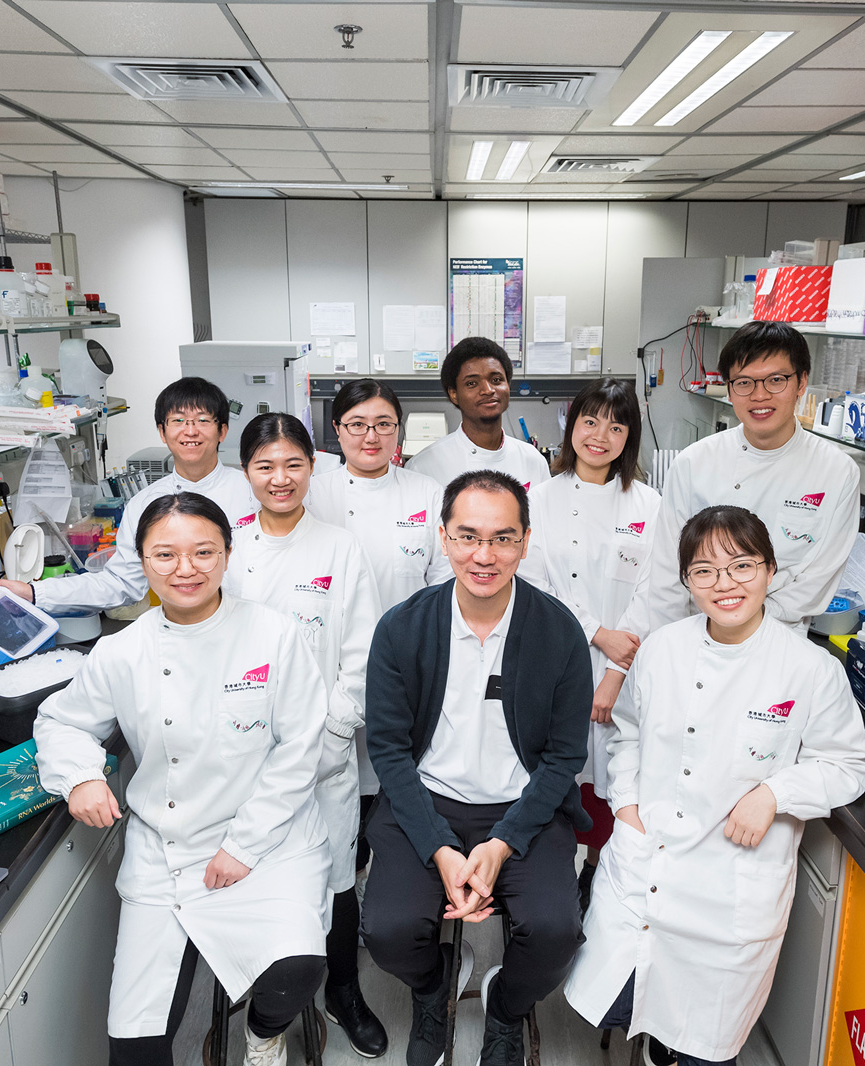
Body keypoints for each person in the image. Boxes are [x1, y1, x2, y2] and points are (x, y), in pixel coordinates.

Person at [565, 505, 865, 1066]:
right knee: (630, 1001)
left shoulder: (808, 668)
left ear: (770, 570)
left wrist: (774, 795)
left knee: (705, 1043)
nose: (724, 584)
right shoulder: (662, 647)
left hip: (729, 885)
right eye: (703, 571)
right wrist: (627, 804)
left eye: (741, 566)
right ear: (686, 582)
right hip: (647, 861)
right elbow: (628, 731)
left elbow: (850, 764)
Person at [35, 492, 331, 1066]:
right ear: (143, 562)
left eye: (202, 552)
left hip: (269, 842)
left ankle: (263, 1031)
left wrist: (244, 845)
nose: (185, 568)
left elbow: (299, 749)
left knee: (297, 967)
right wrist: (80, 777)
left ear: (227, 554)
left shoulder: (273, 635)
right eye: (165, 555)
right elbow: (60, 720)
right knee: (136, 1045)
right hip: (165, 853)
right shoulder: (122, 651)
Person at [363, 470, 591, 1066]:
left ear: (524, 542)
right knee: (387, 932)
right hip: (425, 801)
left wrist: (504, 843)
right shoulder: (401, 629)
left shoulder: (558, 632)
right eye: (467, 536)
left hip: (524, 808)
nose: (483, 556)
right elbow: (387, 750)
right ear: (443, 537)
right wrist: (441, 848)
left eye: (501, 538)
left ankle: (506, 1005)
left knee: (554, 933)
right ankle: (432, 983)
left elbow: (566, 756)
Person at [224, 413, 387, 1058]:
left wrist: (333, 734)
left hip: (323, 753)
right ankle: (271, 1000)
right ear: (246, 474)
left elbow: (363, 653)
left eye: (293, 464)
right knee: (259, 876)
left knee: (336, 877)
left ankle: (344, 992)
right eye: (265, 466)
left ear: (311, 470)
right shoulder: (226, 549)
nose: (280, 477)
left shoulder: (339, 548)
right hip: (242, 756)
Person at [627, 321, 859, 637]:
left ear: (801, 382)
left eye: (776, 380)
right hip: (697, 635)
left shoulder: (837, 471)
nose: (759, 396)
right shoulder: (693, 463)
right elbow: (668, 575)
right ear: (730, 387)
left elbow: (819, 579)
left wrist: (742, 625)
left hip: (781, 642)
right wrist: (670, 646)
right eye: (744, 382)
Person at [521, 377, 659, 909]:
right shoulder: (538, 498)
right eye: (591, 420)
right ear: (571, 425)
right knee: (555, 771)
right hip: (554, 658)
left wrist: (613, 671)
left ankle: (596, 878)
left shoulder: (649, 504)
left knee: (613, 778)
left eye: (617, 425)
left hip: (625, 669)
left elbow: (655, 592)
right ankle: (548, 876)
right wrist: (596, 633)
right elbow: (534, 582)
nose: (601, 435)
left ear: (630, 437)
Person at [307, 379, 453, 865]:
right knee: (335, 779)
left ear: (399, 431)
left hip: (408, 663)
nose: (371, 436)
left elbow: (441, 585)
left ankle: (392, 877)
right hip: (330, 666)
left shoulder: (427, 493)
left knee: (400, 775)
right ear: (336, 430)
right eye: (357, 425)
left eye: (384, 425)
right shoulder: (314, 493)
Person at [0, 376, 257, 612]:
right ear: (162, 432)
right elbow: (120, 583)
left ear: (222, 430)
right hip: (183, 630)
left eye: (202, 420)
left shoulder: (253, 491)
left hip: (252, 625)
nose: (190, 431)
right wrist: (36, 592)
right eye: (178, 420)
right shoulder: (146, 504)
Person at [405, 338, 551, 490]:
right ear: (454, 394)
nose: (488, 390)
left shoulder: (533, 461)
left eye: (496, 379)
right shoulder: (422, 468)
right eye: (471, 383)